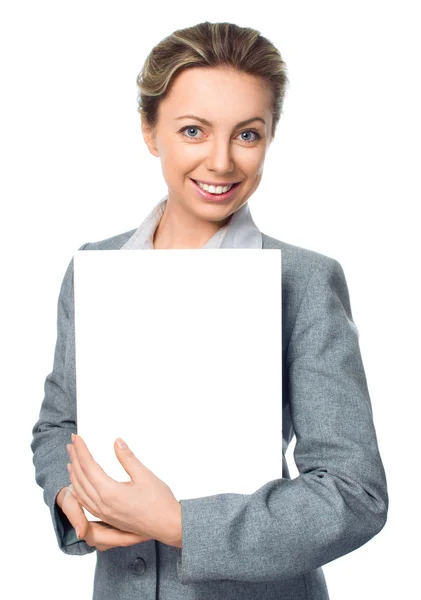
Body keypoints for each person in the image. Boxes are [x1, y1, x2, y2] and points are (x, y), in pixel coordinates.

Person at [30, 21, 388, 600]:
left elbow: (354, 493)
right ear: (150, 130)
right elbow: (57, 425)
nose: (221, 162)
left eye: (247, 135)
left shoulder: (304, 281)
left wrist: (180, 525)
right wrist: (70, 497)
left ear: (270, 136)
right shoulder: (92, 270)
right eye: (193, 130)